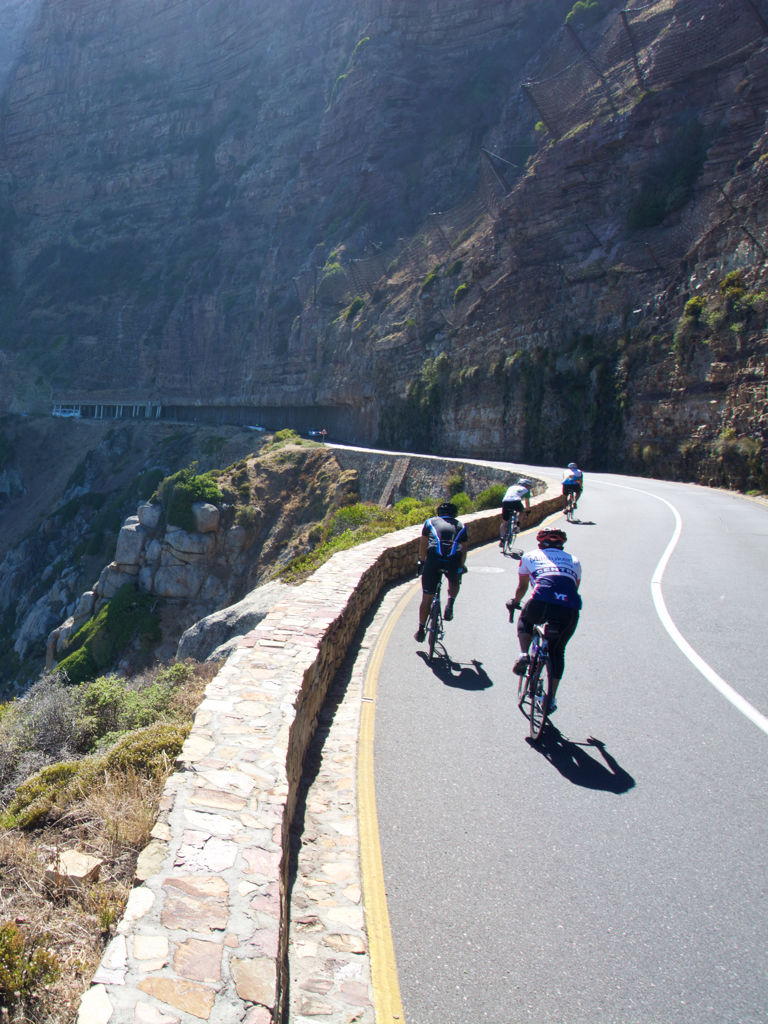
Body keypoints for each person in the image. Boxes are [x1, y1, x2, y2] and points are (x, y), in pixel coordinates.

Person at [506, 527, 581, 712]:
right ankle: (551, 698)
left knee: (526, 619)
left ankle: (524, 654)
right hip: (569, 607)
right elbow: (574, 587)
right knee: (557, 651)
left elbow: (522, 587)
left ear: (540, 544)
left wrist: (514, 602)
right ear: (562, 545)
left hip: (541, 601)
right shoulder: (574, 560)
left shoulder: (529, 557)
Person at [415, 501, 468, 642]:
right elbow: (464, 550)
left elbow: (423, 544)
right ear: (455, 514)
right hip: (453, 561)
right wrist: (461, 566)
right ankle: (450, 603)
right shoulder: (461, 526)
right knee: (455, 581)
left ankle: (421, 629)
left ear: (439, 513)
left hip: (433, 561)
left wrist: (422, 561)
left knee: (427, 598)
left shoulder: (430, 522)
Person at [499, 478, 531, 545]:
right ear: (526, 485)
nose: (529, 488)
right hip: (516, 501)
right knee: (522, 512)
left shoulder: (511, 487)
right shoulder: (526, 490)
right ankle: (517, 526)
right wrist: (528, 510)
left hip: (505, 502)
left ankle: (502, 538)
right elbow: (527, 502)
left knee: (504, 522)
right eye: (529, 486)